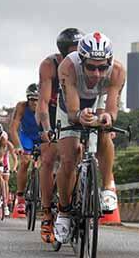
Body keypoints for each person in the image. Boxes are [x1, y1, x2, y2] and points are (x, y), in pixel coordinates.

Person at [54, 31, 126, 243]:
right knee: (69, 157)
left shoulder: (118, 71)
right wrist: (79, 116)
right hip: (70, 104)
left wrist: (106, 117)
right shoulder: (68, 67)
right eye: (91, 67)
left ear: (110, 63)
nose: (96, 73)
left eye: (102, 67)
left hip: (97, 102)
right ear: (82, 61)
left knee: (105, 133)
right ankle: (64, 212)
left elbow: (111, 110)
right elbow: (73, 112)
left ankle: (106, 187)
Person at [36, 27, 84, 243]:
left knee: (79, 154)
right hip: (55, 111)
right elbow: (44, 103)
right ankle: (47, 213)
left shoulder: (85, 64)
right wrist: (47, 129)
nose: (78, 55)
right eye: (73, 51)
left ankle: (81, 194)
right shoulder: (50, 66)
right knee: (47, 158)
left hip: (80, 109)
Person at [8, 83, 41, 215]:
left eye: (37, 99)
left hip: (41, 135)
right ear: (27, 99)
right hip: (26, 136)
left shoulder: (47, 105)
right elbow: (13, 128)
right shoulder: (21, 106)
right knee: (25, 161)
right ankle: (20, 197)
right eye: (32, 99)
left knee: (47, 163)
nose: (35, 103)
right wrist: (18, 146)